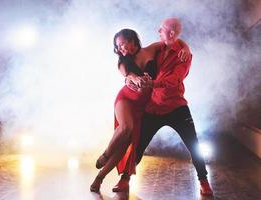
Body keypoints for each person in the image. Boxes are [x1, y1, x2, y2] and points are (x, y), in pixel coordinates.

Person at [114, 18, 214, 196]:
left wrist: (152, 83)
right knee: (138, 144)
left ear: (172, 33)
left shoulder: (184, 55)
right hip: (153, 107)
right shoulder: (158, 48)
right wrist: (184, 44)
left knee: (193, 144)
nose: (158, 31)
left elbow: (175, 79)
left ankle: (204, 181)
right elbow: (129, 70)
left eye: (162, 29)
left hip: (177, 107)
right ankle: (124, 179)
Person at [90, 28, 190, 192]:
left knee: (125, 145)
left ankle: (99, 178)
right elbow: (129, 76)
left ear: (132, 40)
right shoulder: (122, 62)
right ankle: (106, 154)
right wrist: (137, 80)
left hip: (142, 105)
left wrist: (185, 48)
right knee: (125, 127)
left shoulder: (151, 49)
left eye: (122, 44)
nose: (121, 49)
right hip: (126, 99)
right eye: (118, 47)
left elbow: (174, 42)